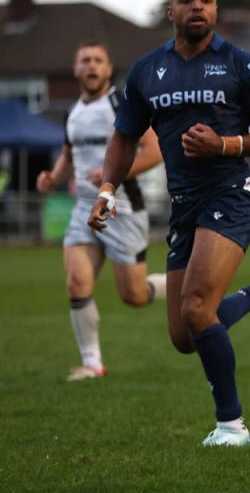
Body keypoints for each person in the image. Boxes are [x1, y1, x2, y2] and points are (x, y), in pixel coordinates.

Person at [87, 0, 250, 447]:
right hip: (184, 207)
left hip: (232, 195)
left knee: (195, 306)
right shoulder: (147, 71)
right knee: (184, 335)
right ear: (170, 11)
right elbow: (124, 136)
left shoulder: (241, 65)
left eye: (206, 0)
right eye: (186, 0)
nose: (197, 7)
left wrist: (225, 144)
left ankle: (232, 425)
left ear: (216, 10)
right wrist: (107, 189)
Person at [36, 40, 166, 381]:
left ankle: (177, 284)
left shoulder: (121, 103)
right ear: (76, 69)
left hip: (123, 208)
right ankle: (92, 363)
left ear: (108, 69)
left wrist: (114, 175)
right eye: (85, 60)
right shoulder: (72, 112)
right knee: (77, 282)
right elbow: (69, 153)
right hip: (83, 208)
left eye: (98, 60)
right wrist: (53, 176)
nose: (91, 66)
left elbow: (155, 150)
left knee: (134, 296)